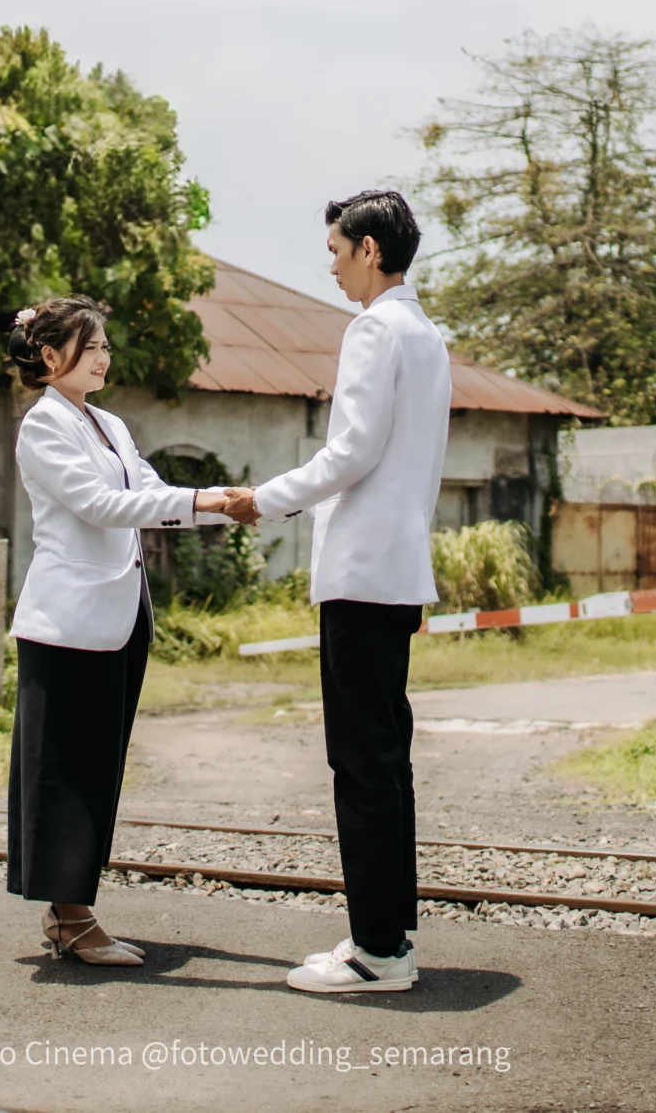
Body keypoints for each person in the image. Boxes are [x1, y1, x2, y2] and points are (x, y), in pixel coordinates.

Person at [221, 190, 448, 994]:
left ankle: (377, 952)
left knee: (359, 762)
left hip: (359, 576)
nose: (330, 264)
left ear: (372, 250)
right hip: (399, 572)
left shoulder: (374, 329)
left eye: (337, 249)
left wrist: (266, 497)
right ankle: (392, 933)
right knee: (387, 760)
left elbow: (349, 451)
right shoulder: (427, 335)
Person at [5, 294, 250, 966]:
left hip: (119, 618)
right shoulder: (44, 426)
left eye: (108, 345)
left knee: (98, 767)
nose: (106, 355)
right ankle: (71, 919)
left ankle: (72, 913)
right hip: (67, 625)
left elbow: (148, 489)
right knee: (65, 770)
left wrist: (219, 507)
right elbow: (102, 505)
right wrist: (207, 499)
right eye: (93, 345)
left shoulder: (108, 423)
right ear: (51, 356)